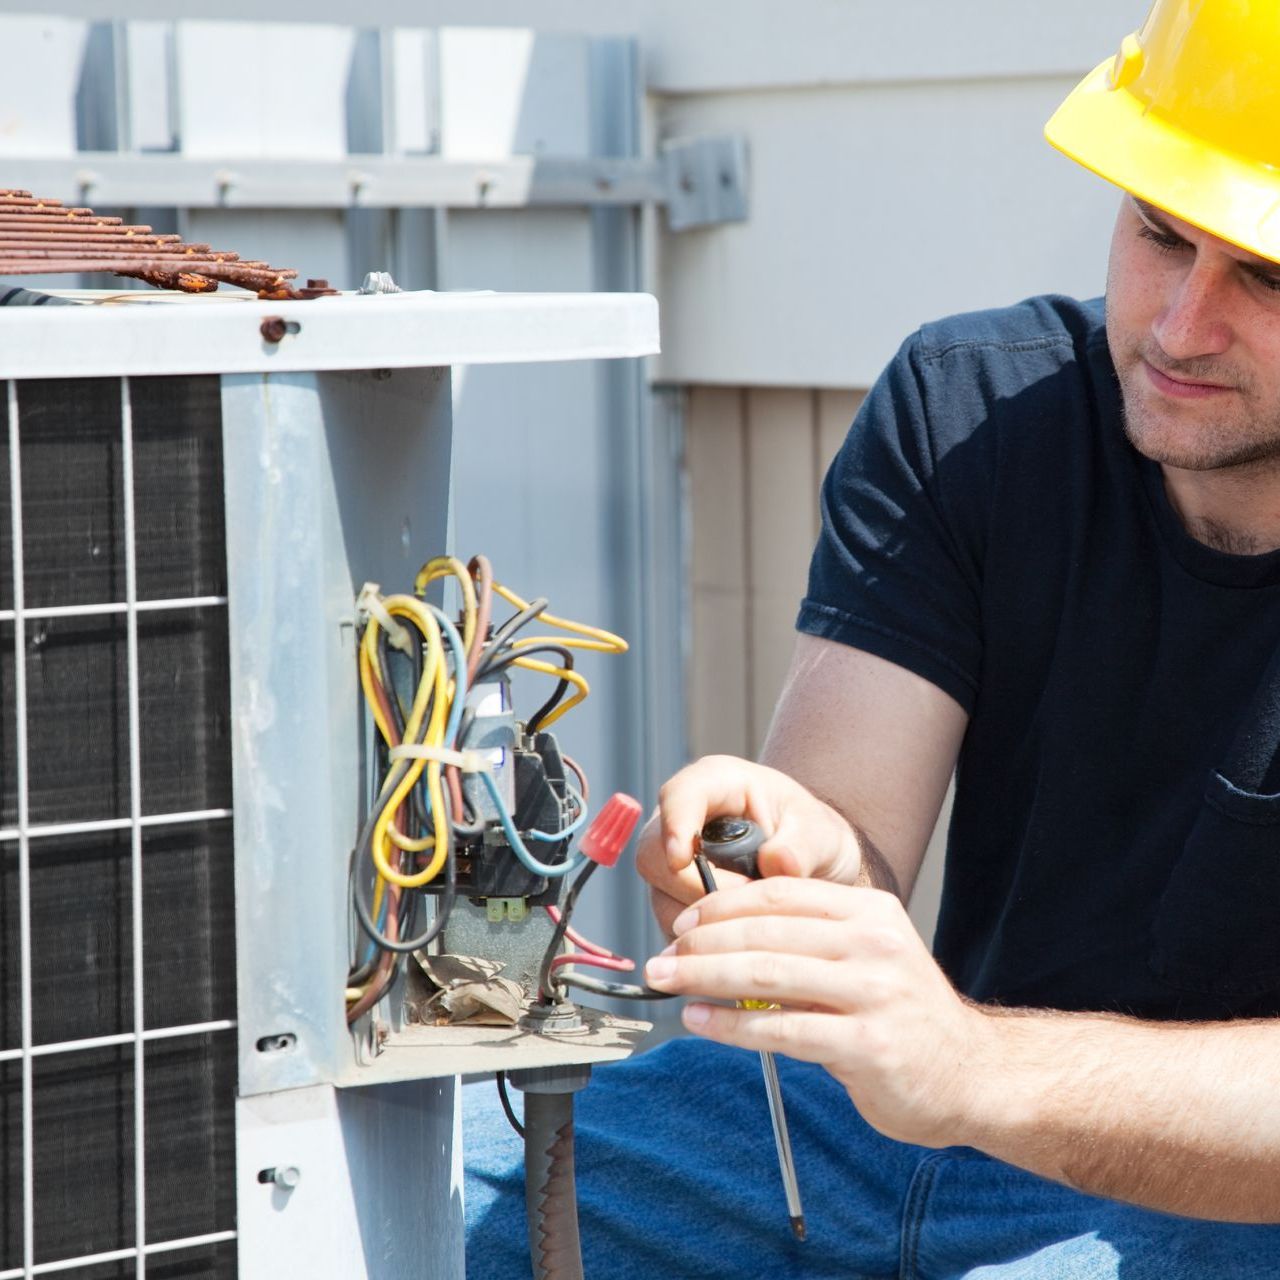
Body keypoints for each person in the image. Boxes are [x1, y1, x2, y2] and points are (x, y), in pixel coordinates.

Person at [465, 4, 1280, 1275]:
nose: (1177, 325)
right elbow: (851, 848)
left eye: (1264, 278)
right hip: (881, 1132)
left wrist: (968, 1065)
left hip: (1217, 1196)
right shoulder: (970, 409)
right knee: (423, 1184)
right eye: (1157, 233)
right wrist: (787, 844)